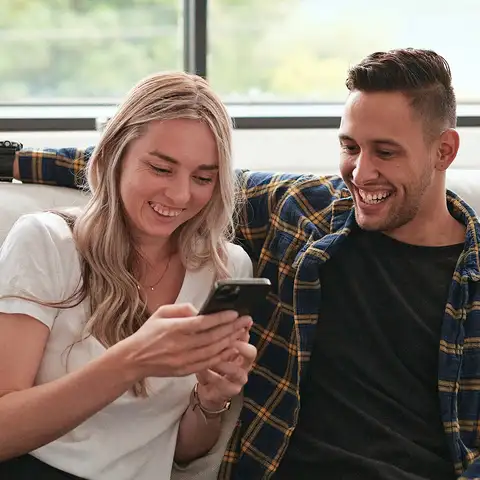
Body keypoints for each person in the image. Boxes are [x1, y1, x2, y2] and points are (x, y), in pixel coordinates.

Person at [2, 48, 480, 479]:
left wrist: (211, 400)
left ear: (444, 152)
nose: (360, 172)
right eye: (350, 147)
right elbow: (139, 160)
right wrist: (13, 161)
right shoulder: (305, 211)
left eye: (386, 153)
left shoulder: (471, 281)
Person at [0, 71, 257, 480]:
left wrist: (210, 401)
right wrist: (133, 360)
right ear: (114, 156)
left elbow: (182, 452)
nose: (179, 195)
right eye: (160, 168)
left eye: (203, 178)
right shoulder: (47, 242)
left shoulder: (225, 268)